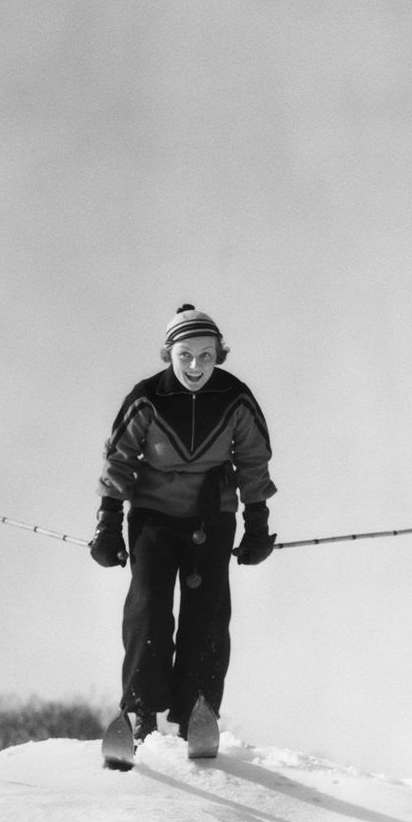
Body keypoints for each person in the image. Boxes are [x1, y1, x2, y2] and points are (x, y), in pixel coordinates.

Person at [90, 304, 277, 742]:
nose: (196, 366)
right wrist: (108, 524)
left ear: (220, 355)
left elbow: (253, 460)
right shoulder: (147, 397)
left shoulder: (235, 398)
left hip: (212, 517)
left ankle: (198, 712)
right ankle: (141, 712)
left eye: (207, 356)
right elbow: (119, 459)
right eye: (186, 355)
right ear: (168, 354)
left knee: (208, 614)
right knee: (149, 607)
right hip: (155, 518)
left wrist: (256, 524)